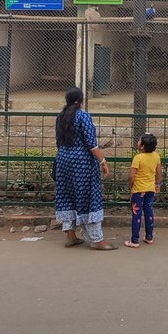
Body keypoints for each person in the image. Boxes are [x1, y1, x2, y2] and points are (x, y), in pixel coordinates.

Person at [53, 86, 114, 250]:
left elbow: (58, 142)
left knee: (67, 195)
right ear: (80, 101)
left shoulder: (60, 118)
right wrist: (103, 161)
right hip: (82, 163)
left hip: (63, 160)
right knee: (89, 197)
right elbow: (91, 144)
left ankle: (71, 235)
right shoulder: (83, 117)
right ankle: (96, 239)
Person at [125, 132, 162, 249]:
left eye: (139, 141)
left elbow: (132, 176)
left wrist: (130, 187)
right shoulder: (156, 156)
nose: (138, 142)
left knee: (137, 214)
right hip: (150, 189)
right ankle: (149, 237)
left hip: (138, 190)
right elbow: (159, 172)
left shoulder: (138, 158)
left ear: (142, 146)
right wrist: (158, 184)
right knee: (149, 211)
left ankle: (134, 240)